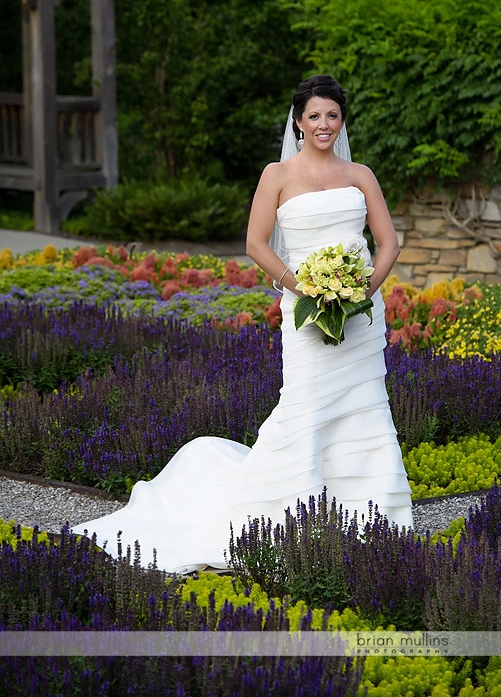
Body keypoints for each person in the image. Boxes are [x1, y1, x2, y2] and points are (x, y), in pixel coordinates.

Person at [72, 75, 413, 573]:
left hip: (360, 317)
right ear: (298, 121)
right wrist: (303, 286)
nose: (323, 124)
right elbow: (256, 244)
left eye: (332, 116)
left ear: (342, 122)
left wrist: (364, 290)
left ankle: (374, 518)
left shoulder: (361, 174)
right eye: (314, 116)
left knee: (364, 406)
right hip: (305, 311)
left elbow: (388, 243)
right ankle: (289, 518)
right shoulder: (277, 174)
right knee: (305, 406)